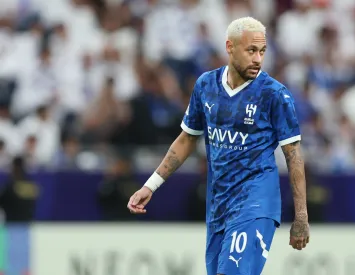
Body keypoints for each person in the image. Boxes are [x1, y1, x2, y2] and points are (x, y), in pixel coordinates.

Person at [127, 17, 310, 275]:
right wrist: (151, 185)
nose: (258, 59)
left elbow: (294, 156)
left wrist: (301, 216)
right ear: (230, 47)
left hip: (256, 203)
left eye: (262, 51)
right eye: (251, 51)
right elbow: (187, 138)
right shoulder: (205, 86)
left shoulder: (274, 94)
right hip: (219, 206)